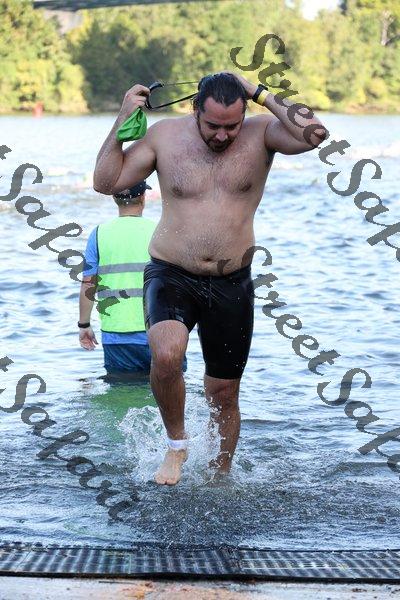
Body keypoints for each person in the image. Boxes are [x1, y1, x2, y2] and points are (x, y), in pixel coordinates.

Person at [93, 72, 327, 485]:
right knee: (167, 354)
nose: (222, 135)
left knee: (224, 392)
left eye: (231, 126)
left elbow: (315, 134)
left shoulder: (262, 134)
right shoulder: (165, 137)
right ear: (195, 109)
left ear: (244, 114)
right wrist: (122, 118)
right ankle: (176, 446)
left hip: (231, 281)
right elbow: (105, 182)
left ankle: (220, 477)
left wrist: (258, 92)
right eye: (213, 125)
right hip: (171, 271)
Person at [78, 181, 156, 380]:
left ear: (114, 198)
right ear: (143, 198)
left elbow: (88, 283)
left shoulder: (98, 234)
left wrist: (84, 325)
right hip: (159, 330)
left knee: (122, 391)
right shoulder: (159, 231)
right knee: (168, 392)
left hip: (116, 334)